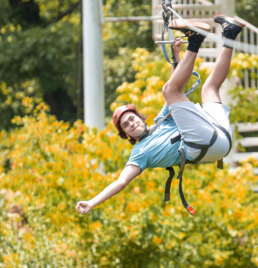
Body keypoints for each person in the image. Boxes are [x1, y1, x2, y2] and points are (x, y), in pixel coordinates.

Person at [75, 15, 245, 215]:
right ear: (127, 135)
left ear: (140, 117)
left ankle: (230, 34)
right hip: (204, 145)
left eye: (132, 118)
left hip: (220, 138)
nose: (132, 123)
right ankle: (196, 39)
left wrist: (176, 57)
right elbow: (121, 181)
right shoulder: (140, 154)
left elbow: (176, 84)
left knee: (210, 87)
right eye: (126, 125)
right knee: (169, 91)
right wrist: (92, 202)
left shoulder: (161, 121)